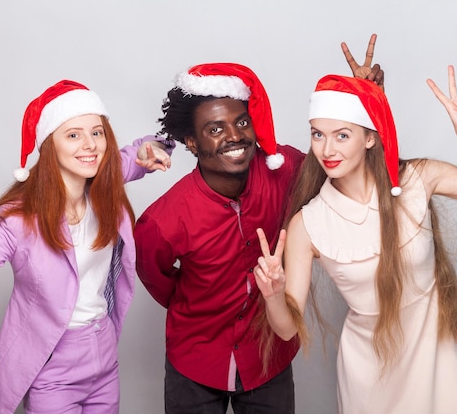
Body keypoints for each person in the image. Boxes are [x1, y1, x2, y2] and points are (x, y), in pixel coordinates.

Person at [253, 68, 457, 413]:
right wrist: (273, 295)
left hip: (438, 352)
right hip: (370, 372)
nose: (327, 149)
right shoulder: (307, 224)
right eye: (317, 135)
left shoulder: (418, 178)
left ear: (370, 137)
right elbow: (285, 331)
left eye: (342, 135)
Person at [133, 34, 384, 414]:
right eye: (215, 129)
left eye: (241, 122)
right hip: (195, 359)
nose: (234, 136)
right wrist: (199, 304)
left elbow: (343, 161)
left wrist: (361, 105)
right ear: (191, 142)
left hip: (268, 356)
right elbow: (158, 280)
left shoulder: (286, 169)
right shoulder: (162, 220)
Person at [0, 79, 174, 414]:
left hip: (104, 355)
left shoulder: (103, 183)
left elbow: (137, 153)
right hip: (52, 367)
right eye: (73, 135)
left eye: (97, 132)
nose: (90, 145)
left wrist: (156, 144)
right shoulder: (18, 219)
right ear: (50, 145)